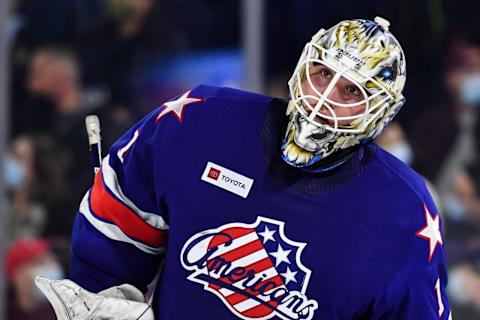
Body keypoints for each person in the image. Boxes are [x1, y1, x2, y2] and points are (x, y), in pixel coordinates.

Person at [36, 17, 452, 319]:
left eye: (350, 91)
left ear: (380, 112)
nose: (323, 98)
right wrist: (106, 297)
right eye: (321, 73)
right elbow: (118, 212)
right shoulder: (201, 122)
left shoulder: (403, 213)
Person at [6, 237, 62, 320]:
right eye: (40, 263)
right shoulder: (5, 312)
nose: (51, 267)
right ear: (18, 277)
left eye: (51, 260)